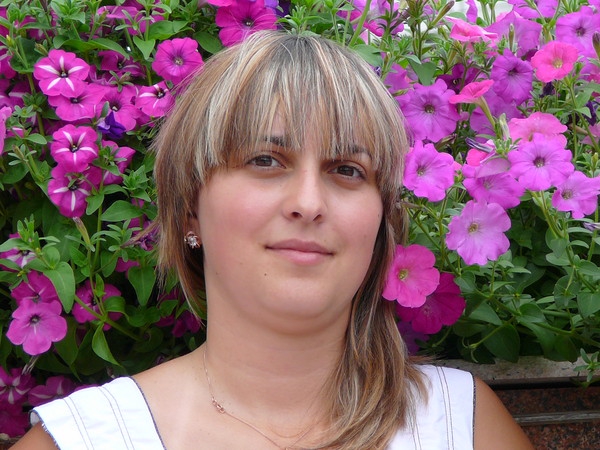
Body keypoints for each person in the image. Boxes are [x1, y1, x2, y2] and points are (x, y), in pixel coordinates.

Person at [14, 31, 533, 450]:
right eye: (265, 160)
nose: (308, 202)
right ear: (190, 207)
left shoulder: (464, 426)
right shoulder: (87, 439)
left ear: (381, 221)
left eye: (347, 169)